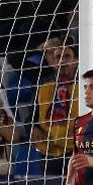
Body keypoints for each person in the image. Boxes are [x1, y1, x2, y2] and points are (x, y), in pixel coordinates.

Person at [31, 44, 78, 175]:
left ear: (76, 61)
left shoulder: (86, 85)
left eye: (67, 56)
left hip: (76, 150)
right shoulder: (43, 84)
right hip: (49, 151)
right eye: (58, 57)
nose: (62, 61)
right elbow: (32, 115)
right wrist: (33, 128)